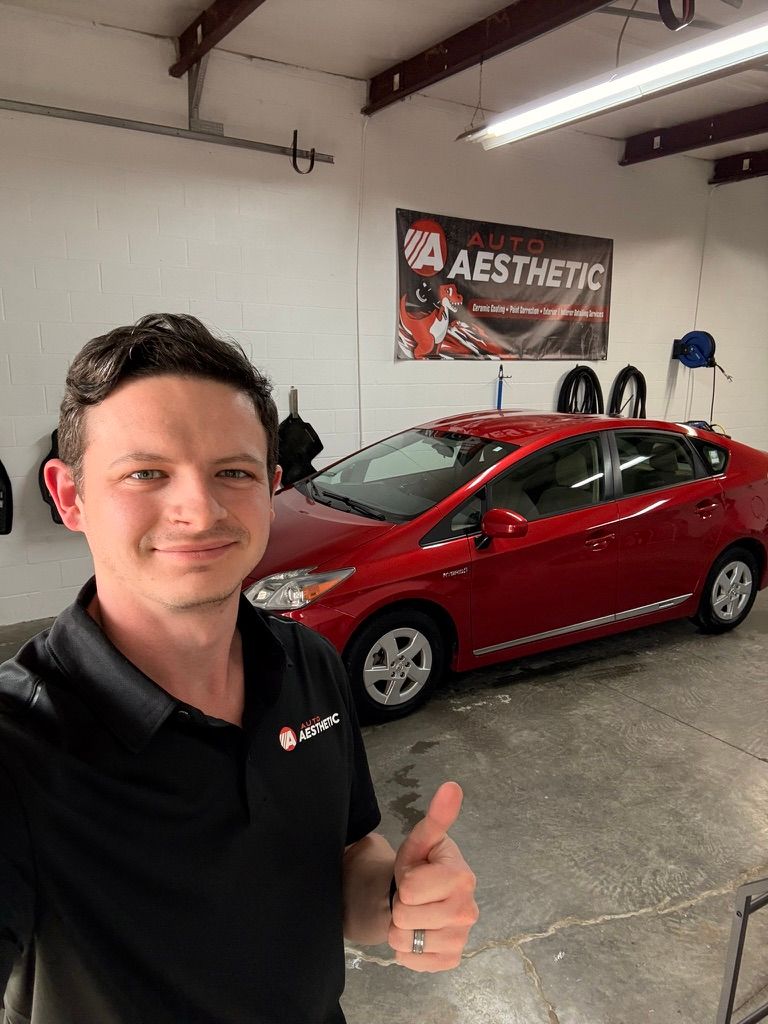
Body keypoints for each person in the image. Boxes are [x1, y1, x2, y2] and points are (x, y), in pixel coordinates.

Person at [0, 314, 478, 1024]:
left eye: (233, 472)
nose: (199, 509)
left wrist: (398, 900)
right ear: (69, 495)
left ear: (272, 489)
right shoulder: (19, 744)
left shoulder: (306, 664)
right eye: (145, 473)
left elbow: (347, 855)